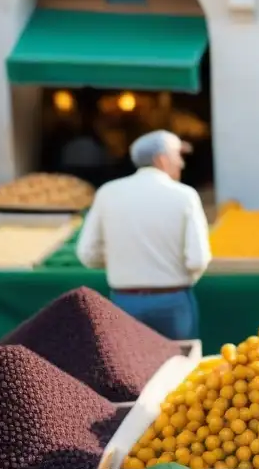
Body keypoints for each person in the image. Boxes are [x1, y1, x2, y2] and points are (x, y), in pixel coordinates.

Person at [76, 130, 211, 339]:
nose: (181, 164)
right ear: (161, 159)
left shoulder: (108, 193)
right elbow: (198, 259)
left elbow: (87, 254)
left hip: (125, 300)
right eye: (178, 156)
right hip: (173, 300)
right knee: (182, 367)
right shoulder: (185, 195)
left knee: (129, 370)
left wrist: (122, 263)